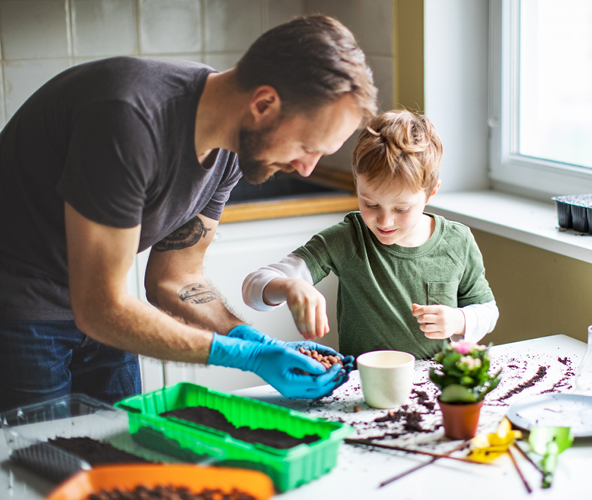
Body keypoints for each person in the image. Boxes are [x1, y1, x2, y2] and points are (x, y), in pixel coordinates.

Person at [0, 15, 378, 412]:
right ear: (264, 104)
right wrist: (240, 357)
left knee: (121, 451)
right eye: (307, 145)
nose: (307, 168)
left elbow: (174, 277)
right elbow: (100, 309)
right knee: (38, 463)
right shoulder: (129, 119)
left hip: (102, 312)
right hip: (19, 310)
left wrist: (252, 340)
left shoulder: (231, 150)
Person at [242, 110, 498, 360]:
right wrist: (289, 286)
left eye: (401, 208)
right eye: (370, 204)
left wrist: (459, 320)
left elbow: (488, 311)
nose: (384, 221)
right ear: (357, 186)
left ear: (431, 194)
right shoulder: (348, 238)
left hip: (433, 386)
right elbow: (253, 288)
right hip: (361, 387)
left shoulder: (457, 242)